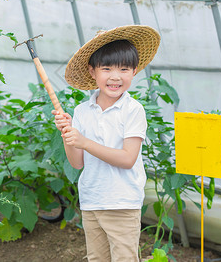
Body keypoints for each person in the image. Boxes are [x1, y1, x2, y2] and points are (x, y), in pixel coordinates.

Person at [52, 25, 161, 262]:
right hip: (92, 200)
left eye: (124, 69)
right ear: (92, 72)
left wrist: (84, 141)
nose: (115, 76)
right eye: (106, 68)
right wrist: (68, 134)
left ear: (134, 71)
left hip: (122, 203)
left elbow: (127, 159)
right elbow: (77, 163)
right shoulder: (82, 111)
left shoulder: (133, 110)